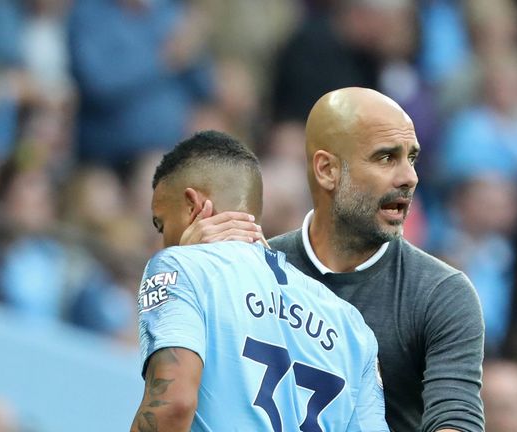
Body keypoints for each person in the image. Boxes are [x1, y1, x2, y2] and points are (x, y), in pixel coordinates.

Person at [182, 88, 485, 432]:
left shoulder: (440, 294)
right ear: (327, 170)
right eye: (386, 158)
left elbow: (456, 421)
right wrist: (192, 279)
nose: (409, 177)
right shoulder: (252, 271)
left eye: (411, 158)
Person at [130, 131, 388, 431]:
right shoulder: (353, 327)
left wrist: (185, 263)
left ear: (193, 207)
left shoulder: (180, 265)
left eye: (161, 224)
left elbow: (174, 405)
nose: (163, 241)